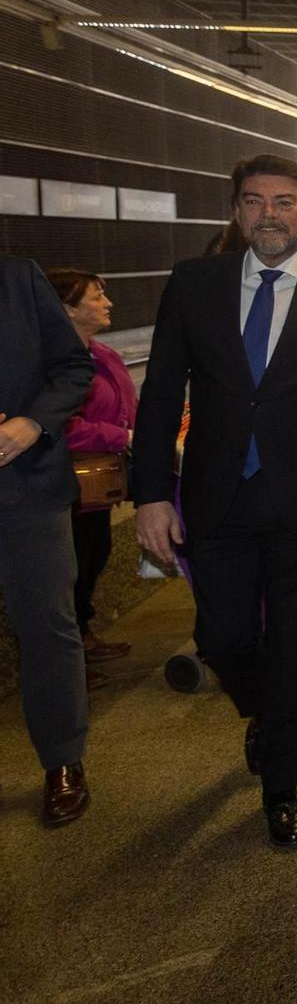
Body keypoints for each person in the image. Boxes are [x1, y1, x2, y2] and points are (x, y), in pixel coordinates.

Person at [132, 154, 297, 848]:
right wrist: (150, 491)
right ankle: (269, 714)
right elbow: (160, 394)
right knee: (224, 636)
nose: (271, 213)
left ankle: (281, 786)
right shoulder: (195, 284)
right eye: (257, 202)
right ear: (237, 213)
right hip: (217, 497)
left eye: (286, 201)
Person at [0, 257, 96, 826]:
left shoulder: (18, 278)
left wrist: (31, 423)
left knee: (47, 626)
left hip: (26, 487)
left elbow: (72, 369)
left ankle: (63, 760)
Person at [44, 269, 137, 671]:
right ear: (67, 309)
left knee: (94, 554)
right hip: (64, 483)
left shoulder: (101, 353)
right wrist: (119, 436)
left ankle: (83, 634)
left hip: (99, 484)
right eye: (97, 297)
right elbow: (62, 425)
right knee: (70, 566)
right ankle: (67, 658)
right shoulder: (50, 362)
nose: (108, 304)